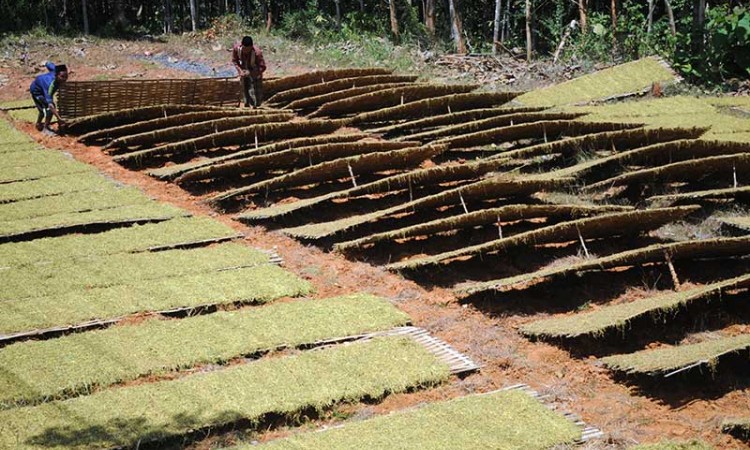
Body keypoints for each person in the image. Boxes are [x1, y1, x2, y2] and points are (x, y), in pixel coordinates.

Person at [29, 63, 68, 134]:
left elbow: (49, 64)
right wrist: (59, 118)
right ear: (56, 75)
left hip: (41, 86)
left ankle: (38, 124)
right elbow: (50, 105)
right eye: (62, 77)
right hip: (37, 92)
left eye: (66, 76)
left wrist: (45, 62)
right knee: (49, 110)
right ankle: (45, 129)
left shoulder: (55, 69)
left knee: (41, 111)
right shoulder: (49, 84)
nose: (65, 79)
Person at [231, 36, 266, 108]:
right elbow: (235, 61)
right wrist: (240, 71)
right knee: (244, 91)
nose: (246, 51)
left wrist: (251, 73)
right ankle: (246, 105)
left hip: (255, 73)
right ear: (241, 45)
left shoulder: (257, 53)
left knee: (256, 95)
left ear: (251, 47)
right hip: (243, 71)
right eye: (244, 49)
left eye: (248, 49)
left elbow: (262, 67)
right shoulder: (236, 49)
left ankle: (256, 107)